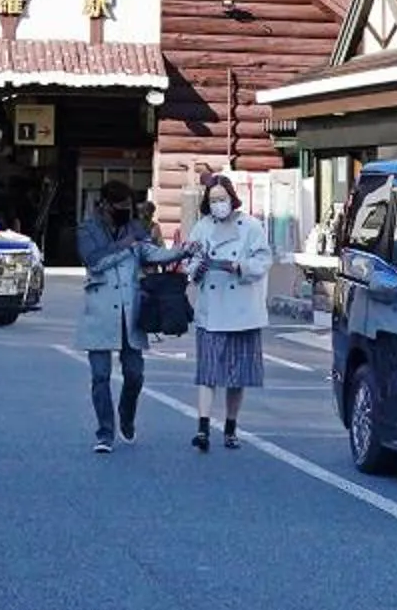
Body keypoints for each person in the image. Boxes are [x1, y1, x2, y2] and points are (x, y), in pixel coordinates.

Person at [77, 178, 175, 453]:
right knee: (100, 376)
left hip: (130, 309)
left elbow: (151, 253)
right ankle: (105, 433)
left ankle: (127, 414)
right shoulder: (88, 229)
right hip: (99, 309)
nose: (124, 211)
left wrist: (184, 251)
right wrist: (125, 246)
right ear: (105, 205)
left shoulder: (134, 226)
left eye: (128, 206)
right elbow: (94, 262)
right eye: (119, 206)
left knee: (135, 374)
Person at [181, 172, 273, 452]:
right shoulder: (202, 227)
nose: (218, 204)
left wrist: (241, 267)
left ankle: (231, 427)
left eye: (222, 198)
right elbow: (190, 265)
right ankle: (203, 428)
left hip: (243, 310)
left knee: (238, 374)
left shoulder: (251, 226)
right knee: (207, 372)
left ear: (232, 198)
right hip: (212, 309)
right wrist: (199, 266)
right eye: (213, 200)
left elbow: (263, 259)